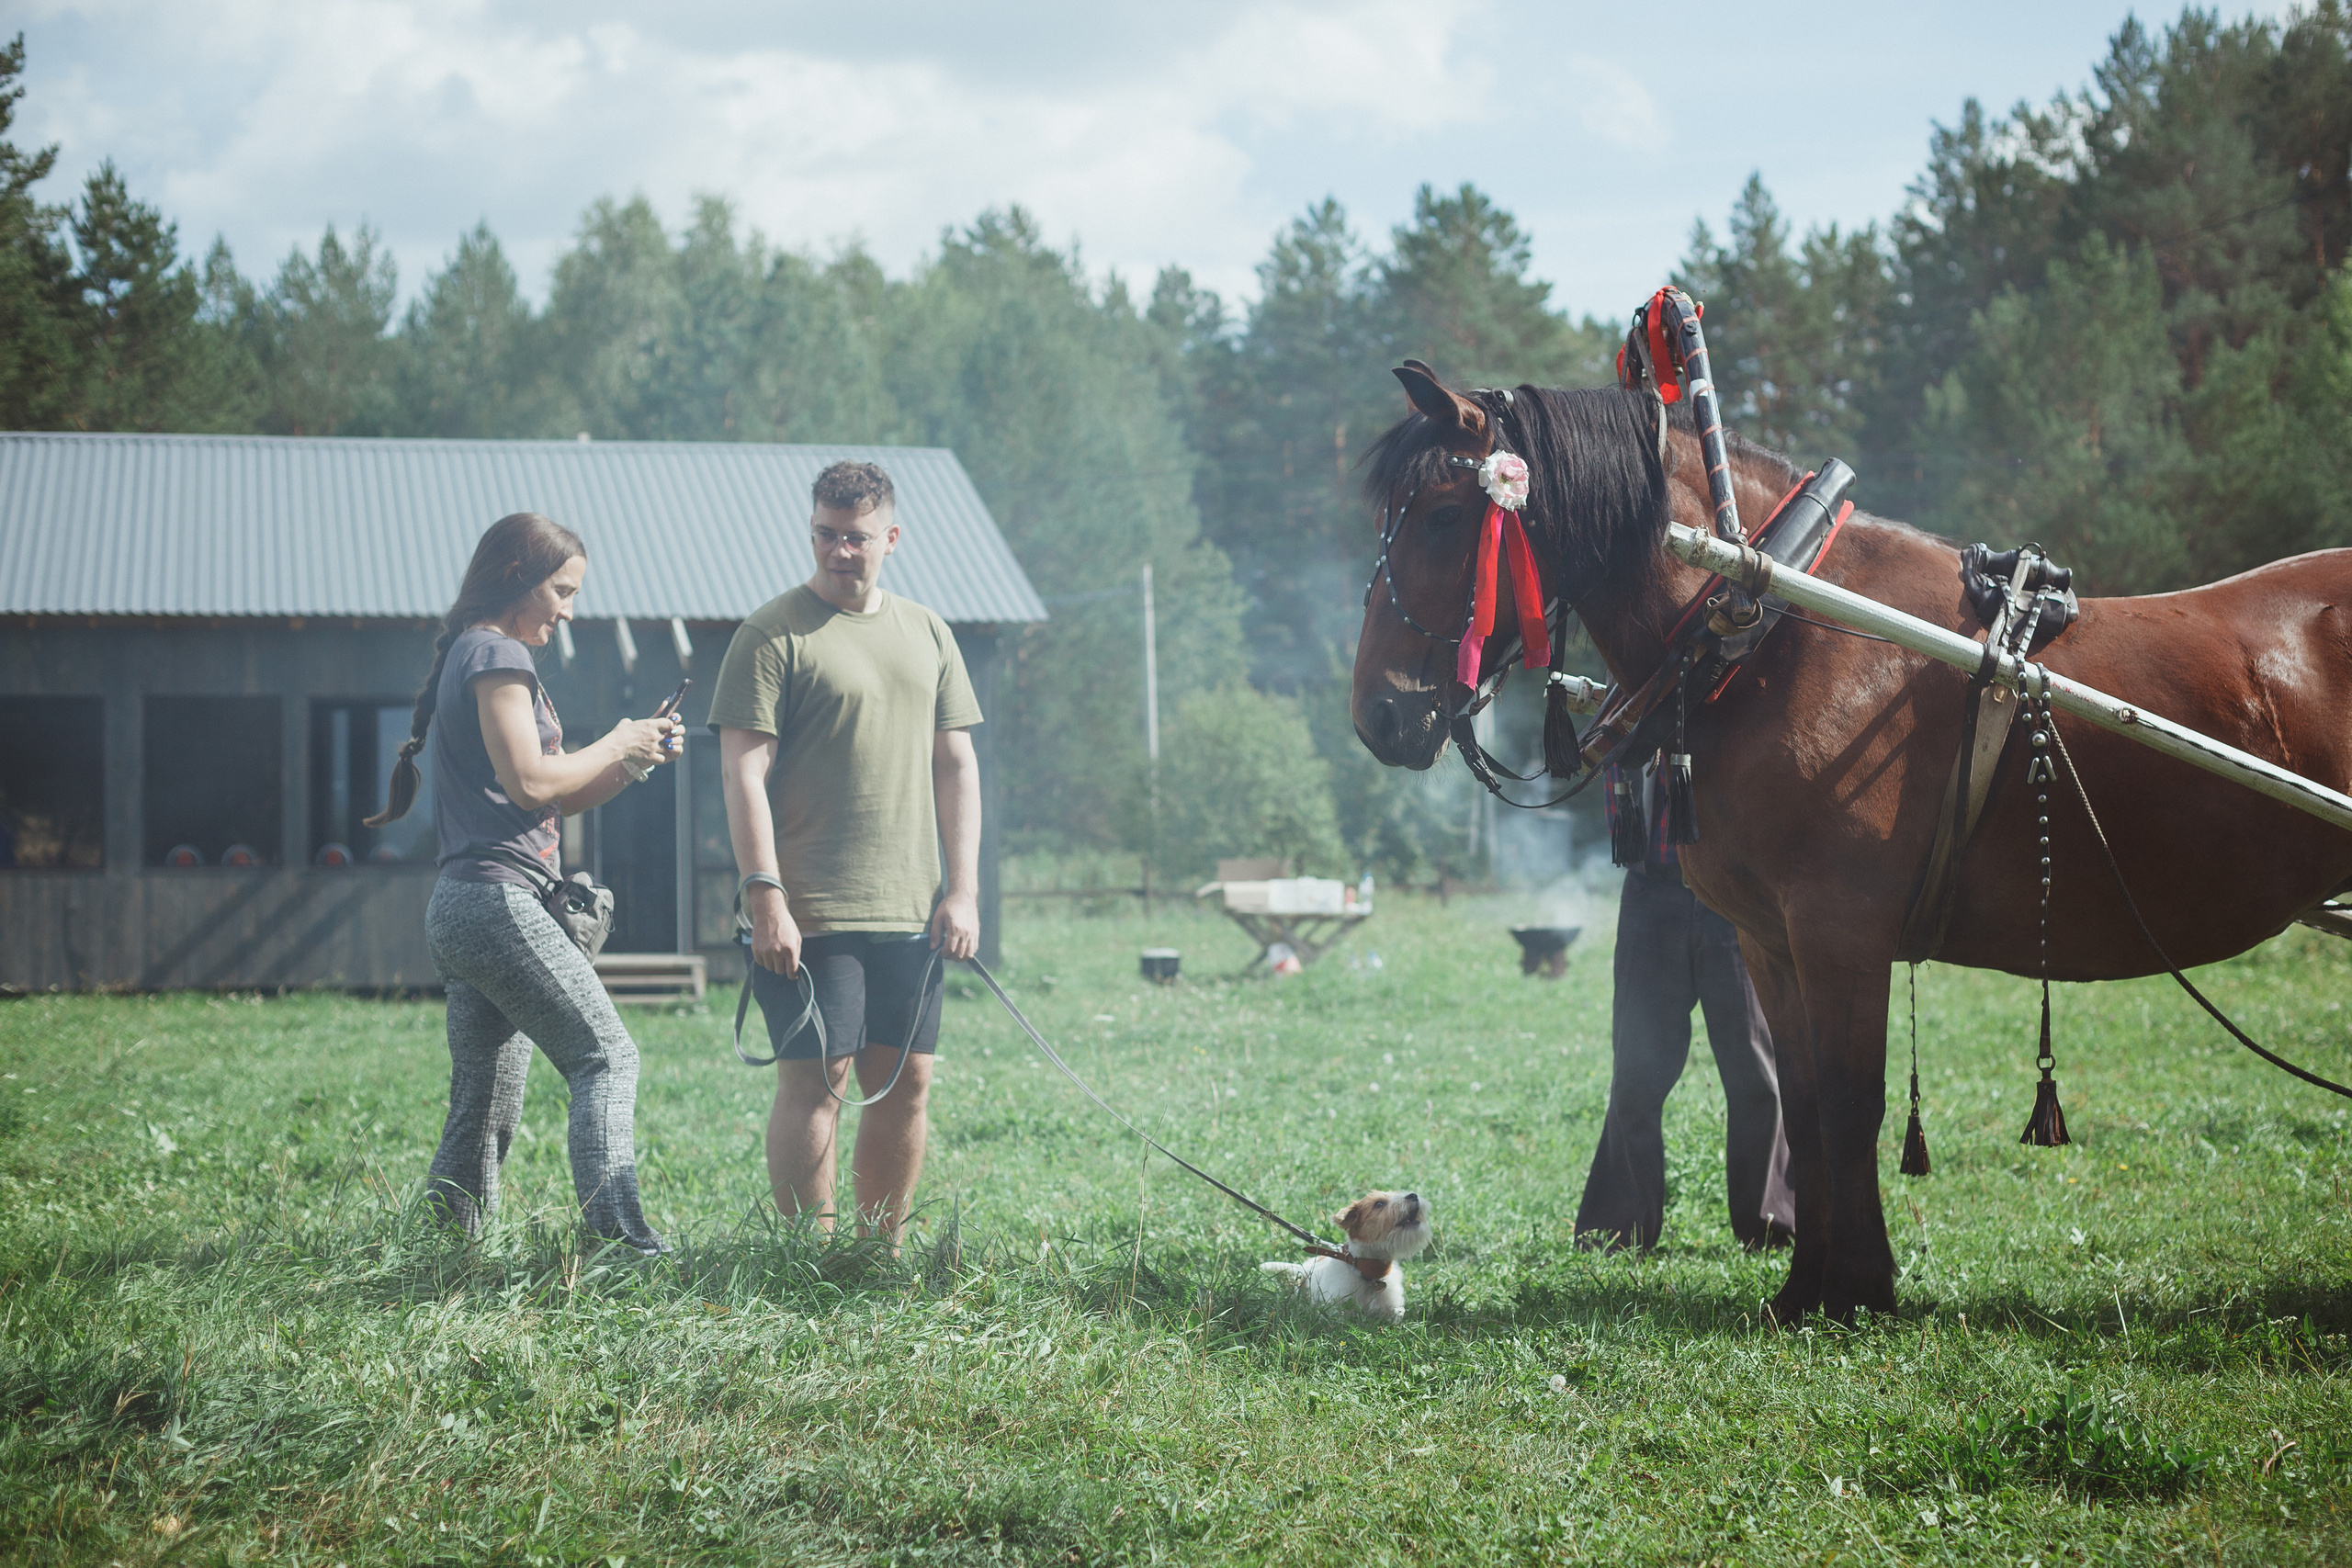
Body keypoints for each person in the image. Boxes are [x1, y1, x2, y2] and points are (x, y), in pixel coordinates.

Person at [367, 512, 681, 1255]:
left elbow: (554, 794)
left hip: (461, 907)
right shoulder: (496, 653)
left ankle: (446, 1252)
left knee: (484, 1101)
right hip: (497, 901)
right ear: (518, 579)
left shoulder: (475, 653)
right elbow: (533, 774)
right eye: (562, 591)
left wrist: (633, 759)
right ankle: (622, 1246)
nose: (569, 611)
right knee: (606, 1057)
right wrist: (618, 735)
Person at [710, 460, 982, 1245]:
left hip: (912, 911)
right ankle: (808, 1257)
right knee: (818, 1083)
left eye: (856, 537)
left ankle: (877, 1254)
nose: (839, 550)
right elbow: (742, 768)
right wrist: (766, 897)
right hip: (810, 912)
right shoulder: (771, 633)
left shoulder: (928, 631)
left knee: (908, 1085)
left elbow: (955, 764)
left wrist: (960, 891)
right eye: (826, 534)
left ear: (889, 537)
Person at [1575, 756, 1795, 1252]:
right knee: (1634, 1074)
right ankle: (1619, 1227)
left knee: (1756, 1072)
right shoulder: (1630, 689)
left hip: (1732, 893)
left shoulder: (1731, 681)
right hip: (1651, 893)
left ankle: (1770, 1225)